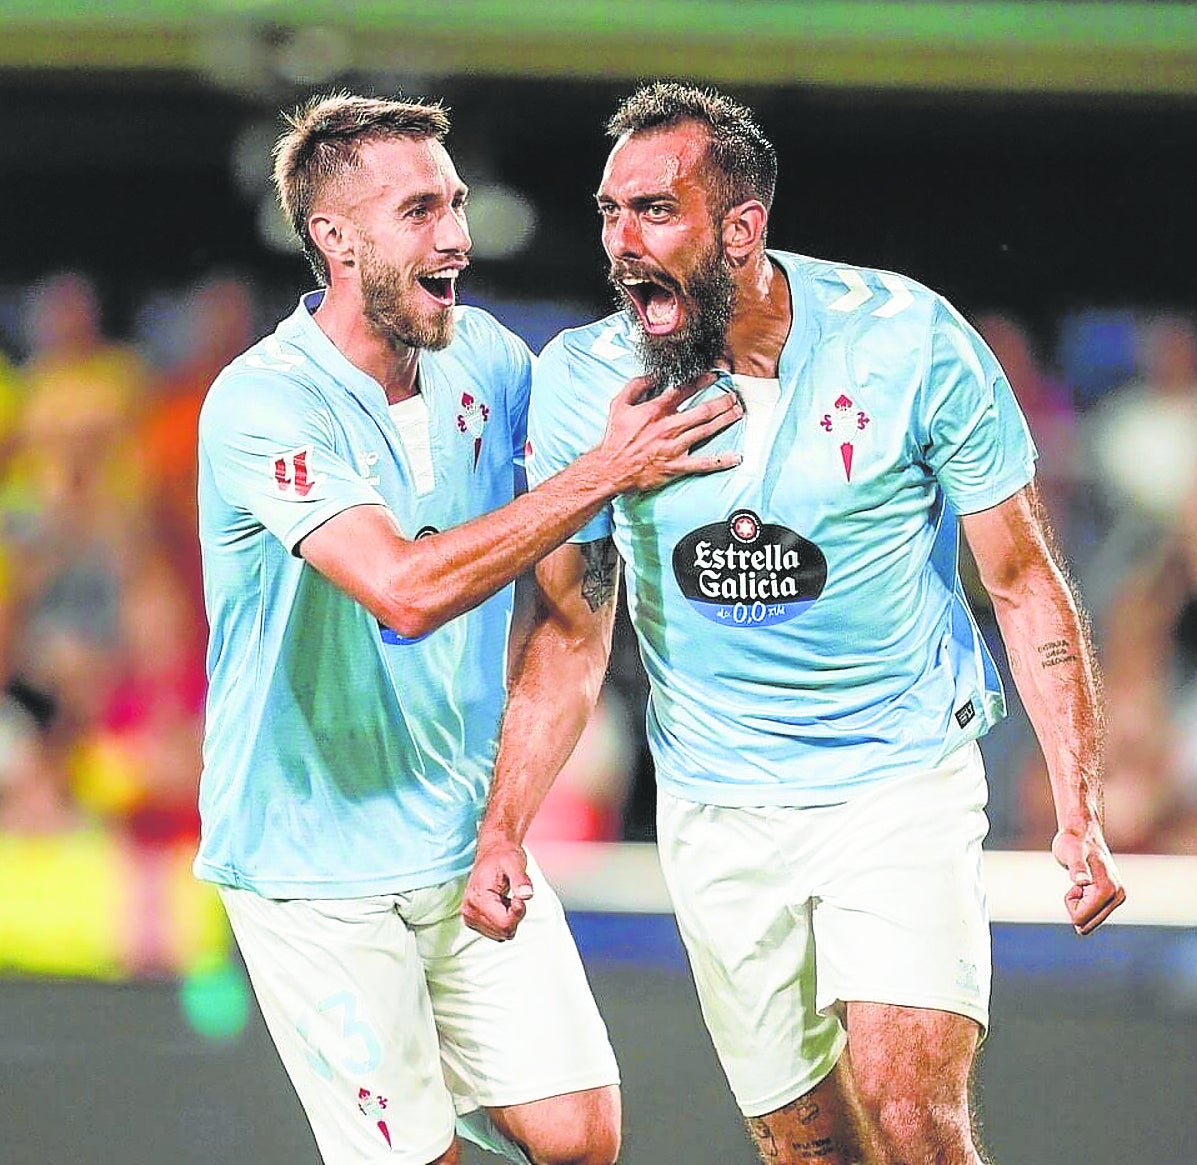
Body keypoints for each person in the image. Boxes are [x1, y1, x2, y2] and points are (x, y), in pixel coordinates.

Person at [462, 82, 1126, 1165]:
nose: (623, 244)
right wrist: (505, 826)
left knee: (908, 1108)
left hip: (897, 781)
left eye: (655, 211)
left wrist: (1077, 804)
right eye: (608, 213)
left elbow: (1020, 578)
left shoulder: (909, 342)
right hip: (720, 808)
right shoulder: (586, 383)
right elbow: (572, 627)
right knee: (810, 1147)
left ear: (742, 227)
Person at [194, 91, 741, 1165]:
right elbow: (402, 588)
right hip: (311, 867)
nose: (456, 235)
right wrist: (604, 471)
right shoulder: (262, 404)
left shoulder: (491, 363)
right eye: (419, 210)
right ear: (335, 239)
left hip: (456, 835)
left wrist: (506, 819)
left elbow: (569, 597)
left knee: (582, 1135)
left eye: (456, 203)